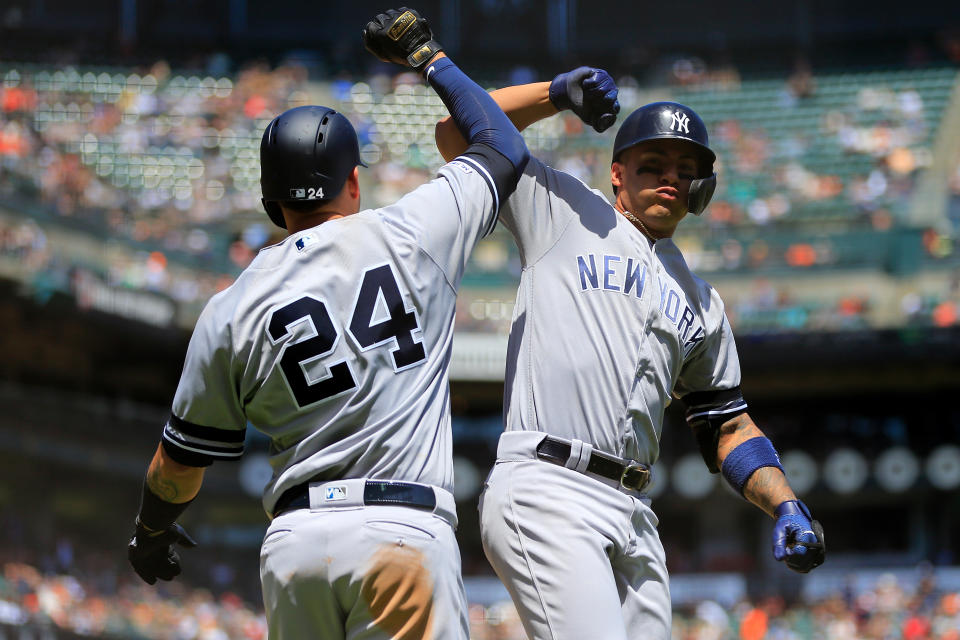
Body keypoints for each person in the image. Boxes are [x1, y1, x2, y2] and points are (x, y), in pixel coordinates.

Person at [125, 8, 531, 639]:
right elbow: (502, 144)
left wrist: (151, 532)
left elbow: (176, 466)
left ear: (271, 200)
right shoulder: (412, 231)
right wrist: (426, 55)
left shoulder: (231, 306)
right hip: (402, 533)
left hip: (296, 547)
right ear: (354, 181)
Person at [435, 79, 826, 639]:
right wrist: (558, 92)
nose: (671, 176)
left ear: (702, 186)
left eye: (685, 168)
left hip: (635, 511)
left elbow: (727, 424)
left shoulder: (702, 301)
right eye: (653, 163)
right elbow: (456, 133)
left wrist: (787, 504)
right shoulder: (563, 212)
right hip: (551, 485)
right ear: (617, 171)